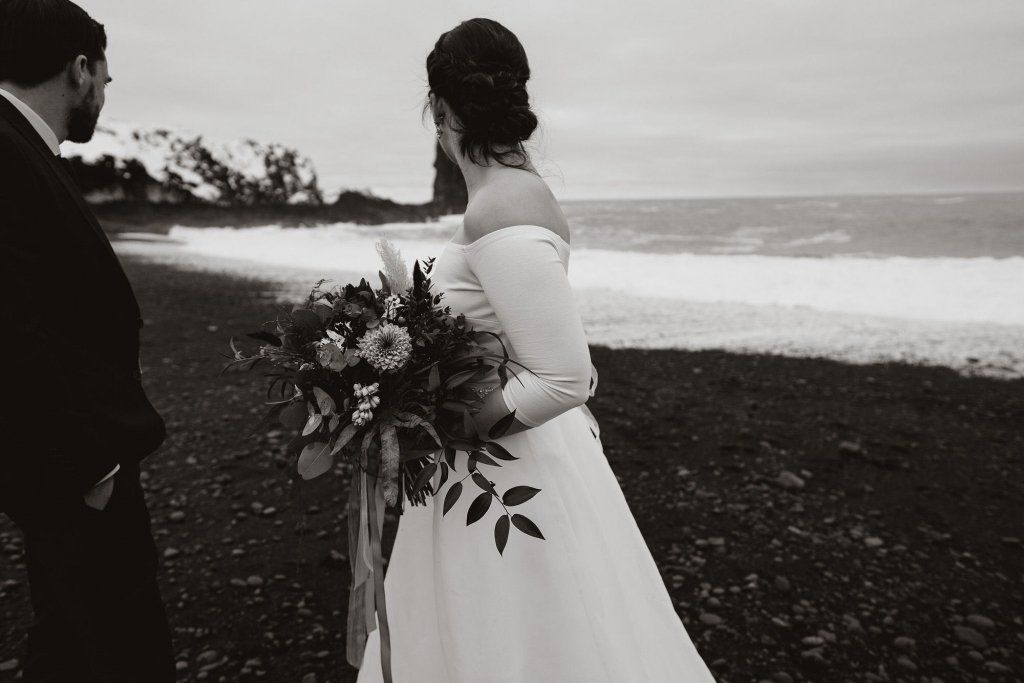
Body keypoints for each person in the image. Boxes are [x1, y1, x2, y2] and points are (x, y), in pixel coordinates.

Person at [356, 18, 716, 683]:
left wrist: (447, 423)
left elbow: (564, 376)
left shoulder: (500, 207)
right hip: (502, 458)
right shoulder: (513, 194)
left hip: (505, 468)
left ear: (440, 109)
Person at [0, 0, 173, 680]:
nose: (103, 93)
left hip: (67, 462)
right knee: (108, 644)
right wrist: (89, 470)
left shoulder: (24, 147)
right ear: (80, 70)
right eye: (105, 78)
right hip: (71, 470)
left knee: (78, 637)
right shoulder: (8, 154)